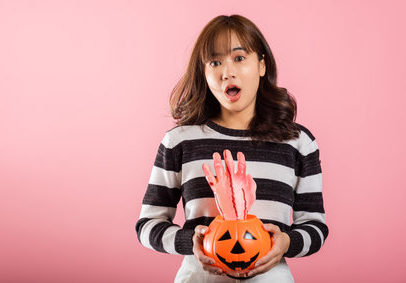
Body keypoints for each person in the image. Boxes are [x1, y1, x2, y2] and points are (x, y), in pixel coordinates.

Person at [135, 14, 328, 282]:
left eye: (239, 58)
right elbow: (147, 226)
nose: (227, 72)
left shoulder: (298, 143)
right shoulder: (179, 141)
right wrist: (191, 241)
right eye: (215, 62)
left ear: (261, 65)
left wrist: (285, 242)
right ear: (204, 72)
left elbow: (315, 226)